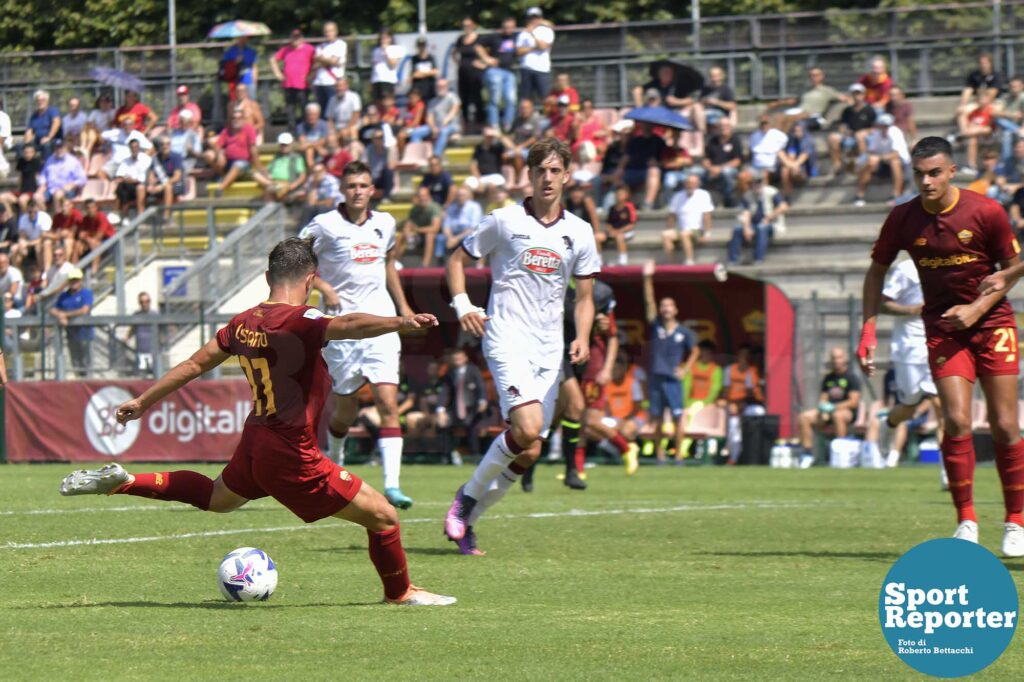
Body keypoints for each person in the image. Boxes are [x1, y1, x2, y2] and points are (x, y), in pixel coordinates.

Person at [59, 237, 454, 607]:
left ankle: (127, 482)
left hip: (257, 437)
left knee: (218, 498)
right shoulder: (302, 318)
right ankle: (400, 593)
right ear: (311, 279)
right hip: (291, 451)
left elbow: (195, 364)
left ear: (268, 277)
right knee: (383, 516)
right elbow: (348, 324)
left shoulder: (243, 322)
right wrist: (400, 322)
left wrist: (144, 401)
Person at [861, 136, 1024, 555]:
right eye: (919, 174)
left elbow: (1012, 271)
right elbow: (875, 273)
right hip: (944, 328)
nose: (927, 181)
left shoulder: (986, 211)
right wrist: (867, 330)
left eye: (935, 172)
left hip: (993, 323)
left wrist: (977, 308)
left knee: (1006, 425)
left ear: (952, 171)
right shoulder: (902, 218)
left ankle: (1016, 521)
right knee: (955, 419)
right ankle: (966, 520)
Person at [443, 138, 600, 554]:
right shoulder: (503, 220)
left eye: (554, 171)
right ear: (528, 176)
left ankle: (468, 523)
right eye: (539, 171)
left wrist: (582, 337)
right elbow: (456, 260)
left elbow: (585, 298)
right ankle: (467, 497)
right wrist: (463, 305)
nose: (547, 178)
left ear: (567, 176)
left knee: (528, 452)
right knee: (527, 429)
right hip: (506, 335)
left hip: (550, 349)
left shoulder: (580, 232)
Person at [301, 161, 417, 509]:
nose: (357, 191)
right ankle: (335, 456)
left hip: (381, 324)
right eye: (351, 185)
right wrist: (322, 285)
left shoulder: (385, 223)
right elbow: (296, 257)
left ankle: (392, 485)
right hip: (343, 328)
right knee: (345, 411)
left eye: (363, 185)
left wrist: (405, 309)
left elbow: (388, 266)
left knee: (387, 402)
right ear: (343, 189)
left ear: (372, 190)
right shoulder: (324, 225)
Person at [866, 259, 944, 469]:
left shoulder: (952, 264)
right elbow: (883, 303)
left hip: (941, 343)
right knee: (909, 407)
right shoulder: (907, 269)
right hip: (910, 347)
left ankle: (949, 470)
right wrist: (912, 310)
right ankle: (889, 424)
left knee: (941, 405)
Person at [642, 260, 698, 464]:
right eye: (663, 305)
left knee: (677, 417)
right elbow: (649, 302)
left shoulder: (684, 332)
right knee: (656, 418)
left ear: (675, 310)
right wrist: (647, 278)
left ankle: (679, 455)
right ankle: (659, 454)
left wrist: (686, 369)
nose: (665, 309)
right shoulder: (656, 325)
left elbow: (695, 351)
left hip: (673, 380)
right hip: (656, 377)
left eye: (669, 306)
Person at [797, 347, 861, 467]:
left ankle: (839, 453)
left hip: (847, 413)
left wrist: (833, 408)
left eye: (839, 357)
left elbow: (853, 402)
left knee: (838, 415)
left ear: (845, 359)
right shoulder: (828, 378)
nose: (836, 361)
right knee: (804, 417)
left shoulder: (852, 378)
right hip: (829, 412)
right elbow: (823, 398)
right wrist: (823, 410)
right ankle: (807, 454)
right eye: (834, 358)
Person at [436, 347, 489, 465]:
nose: (457, 361)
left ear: (465, 358)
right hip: (454, 409)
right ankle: (446, 456)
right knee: (442, 425)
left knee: (472, 426)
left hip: (473, 409)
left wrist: (482, 401)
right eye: (455, 359)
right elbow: (444, 393)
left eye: (459, 358)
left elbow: (481, 388)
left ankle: (475, 456)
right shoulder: (449, 374)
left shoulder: (474, 371)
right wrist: (440, 410)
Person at [720, 344, 765, 465]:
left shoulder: (752, 371)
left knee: (758, 413)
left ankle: (747, 455)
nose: (743, 358)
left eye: (746, 356)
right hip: (733, 404)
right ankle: (731, 456)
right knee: (733, 425)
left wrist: (740, 406)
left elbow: (750, 395)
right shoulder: (730, 369)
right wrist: (729, 403)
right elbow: (725, 390)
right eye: (742, 355)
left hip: (748, 405)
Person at [728, 176, 789, 265]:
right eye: (755, 184)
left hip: (772, 224)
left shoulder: (772, 192)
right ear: (751, 185)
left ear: (763, 183)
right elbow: (746, 212)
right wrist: (747, 228)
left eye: (759, 183)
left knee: (761, 227)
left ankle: (758, 259)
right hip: (753, 224)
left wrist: (768, 218)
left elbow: (783, 206)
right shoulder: (747, 195)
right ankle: (733, 260)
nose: (757, 186)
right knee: (737, 229)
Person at [853, 113, 909, 206]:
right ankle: (860, 195)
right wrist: (871, 158)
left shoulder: (895, 132)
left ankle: (896, 194)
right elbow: (872, 151)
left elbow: (896, 154)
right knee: (870, 162)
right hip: (883, 163)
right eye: (882, 125)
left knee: (894, 162)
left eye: (886, 125)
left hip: (900, 164)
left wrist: (879, 158)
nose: (884, 127)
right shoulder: (876, 133)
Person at [662, 173, 714, 265]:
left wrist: (708, 233)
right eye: (688, 182)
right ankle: (672, 263)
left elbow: (707, 215)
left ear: (697, 184)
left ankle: (689, 261)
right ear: (685, 184)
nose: (690, 185)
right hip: (682, 230)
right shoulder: (677, 196)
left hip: (697, 230)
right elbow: (672, 216)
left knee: (684, 234)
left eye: (693, 183)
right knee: (666, 235)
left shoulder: (704, 195)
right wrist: (670, 229)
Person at [827, 83, 876, 178]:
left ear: (863, 95)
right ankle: (837, 165)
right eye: (855, 94)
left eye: (859, 93)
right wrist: (845, 131)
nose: (857, 96)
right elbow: (843, 125)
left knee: (859, 135)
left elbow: (875, 128)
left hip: (865, 136)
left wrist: (865, 132)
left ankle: (862, 163)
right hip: (850, 136)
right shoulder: (847, 111)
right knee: (832, 137)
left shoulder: (870, 110)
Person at [51, 267, 92, 377]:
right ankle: (80, 380)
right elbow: (53, 309)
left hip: (85, 334)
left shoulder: (86, 293)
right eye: (72, 280)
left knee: (86, 362)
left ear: (80, 280)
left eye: (76, 280)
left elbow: (84, 310)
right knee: (75, 360)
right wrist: (60, 315)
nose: (74, 282)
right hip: (71, 335)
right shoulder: (64, 296)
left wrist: (65, 315)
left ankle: (87, 380)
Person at [271, 29, 315, 132]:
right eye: (294, 37)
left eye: (298, 37)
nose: (296, 40)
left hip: (303, 85)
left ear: (302, 38)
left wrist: (311, 74)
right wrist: (277, 73)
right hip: (288, 84)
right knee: (290, 110)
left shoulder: (309, 49)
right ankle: (292, 132)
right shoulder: (286, 49)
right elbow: (273, 59)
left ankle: (306, 131)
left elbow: (316, 61)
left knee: (305, 109)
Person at [482, 17, 519, 132]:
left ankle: (508, 125)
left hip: (509, 72)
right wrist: (486, 58)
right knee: (495, 99)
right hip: (495, 71)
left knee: (511, 99)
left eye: (510, 27)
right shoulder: (495, 37)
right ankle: (494, 124)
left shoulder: (516, 37)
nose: (508, 30)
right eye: (506, 27)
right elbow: (477, 45)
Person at [253, 132, 308, 204]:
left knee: (269, 192)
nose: (283, 147)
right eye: (282, 145)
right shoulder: (277, 157)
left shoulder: (296, 158)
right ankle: (272, 185)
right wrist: (263, 171)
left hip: (286, 183)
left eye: (285, 145)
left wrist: (294, 185)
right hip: (274, 181)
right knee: (256, 174)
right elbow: (268, 170)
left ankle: (272, 188)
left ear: (290, 145)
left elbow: (302, 175)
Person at [452, 17, 487, 129]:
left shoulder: (479, 39)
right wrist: (460, 63)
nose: (466, 28)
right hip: (463, 73)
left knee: (477, 98)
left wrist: (482, 65)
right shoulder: (460, 39)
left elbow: (486, 56)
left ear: (473, 26)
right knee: (464, 98)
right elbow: (454, 53)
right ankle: (466, 123)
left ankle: (479, 122)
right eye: (464, 26)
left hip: (475, 73)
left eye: (468, 25)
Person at [516, 7, 555, 104]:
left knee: (545, 97)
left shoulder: (547, 31)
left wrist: (532, 34)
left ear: (541, 18)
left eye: (536, 17)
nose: (533, 20)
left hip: (542, 69)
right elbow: (519, 52)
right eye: (531, 18)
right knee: (526, 99)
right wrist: (533, 48)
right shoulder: (522, 34)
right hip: (526, 68)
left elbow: (543, 46)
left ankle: (548, 118)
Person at [701, 118, 743, 206]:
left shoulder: (735, 140)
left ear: (730, 127)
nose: (723, 128)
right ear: (717, 127)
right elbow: (706, 159)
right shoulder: (712, 141)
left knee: (726, 173)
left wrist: (720, 169)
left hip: (729, 169)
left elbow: (737, 161)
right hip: (712, 169)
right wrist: (710, 168)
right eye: (721, 126)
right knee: (694, 172)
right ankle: (701, 201)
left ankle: (728, 200)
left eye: (726, 126)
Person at [402, 185, 442, 267]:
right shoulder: (415, 209)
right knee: (401, 236)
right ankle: (396, 262)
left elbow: (435, 228)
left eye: (424, 196)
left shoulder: (435, 208)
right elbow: (408, 223)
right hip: (419, 235)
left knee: (429, 235)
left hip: (436, 235)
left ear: (429, 196)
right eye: (420, 196)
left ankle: (425, 264)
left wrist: (417, 229)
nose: (422, 198)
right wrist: (407, 233)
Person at [438, 185, 482, 260]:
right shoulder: (451, 207)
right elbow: (446, 226)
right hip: (453, 233)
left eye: (463, 195)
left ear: (468, 196)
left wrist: (456, 239)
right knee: (440, 238)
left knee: (469, 238)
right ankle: (440, 263)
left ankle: (465, 263)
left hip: (466, 233)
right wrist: (450, 238)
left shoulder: (474, 207)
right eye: (458, 195)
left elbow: (473, 227)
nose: (460, 197)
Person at [146, 137, 185, 220]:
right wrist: (151, 185)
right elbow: (151, 174)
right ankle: (144, 216)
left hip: (177, 185)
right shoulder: (155, 158)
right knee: (142, 188)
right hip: (161, 184)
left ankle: (166, 215)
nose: (165, 146)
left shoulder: (176, 157)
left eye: (167, 144)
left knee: (168, 187)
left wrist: (162, 186)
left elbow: (177, 177)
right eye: (162, 144)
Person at [312, 22, 347, 113]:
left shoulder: (341, 45)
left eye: (331, 31)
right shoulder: (320, 47)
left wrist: (320, 59)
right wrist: (327, 60)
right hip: (319, 83)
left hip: (333, 83)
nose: (328, 33)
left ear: (336, 32)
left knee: (334, 111)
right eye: (326, 31)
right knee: (322, 111)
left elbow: (334, 61)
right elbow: (315, 65)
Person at [112, 138, 151, 218]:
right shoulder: (126, 161)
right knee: (121, 187)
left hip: (142, 185)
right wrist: (127, 179)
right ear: (130, 148)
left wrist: (131, 179)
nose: (134, 149)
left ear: (139, 148)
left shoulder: (146, 159)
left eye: (136, 147)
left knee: (138, 188)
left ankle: (139, 215)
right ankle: (121, 215)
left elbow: (142, 178)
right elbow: (120, 175)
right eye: (132, 147)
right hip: (128, 185)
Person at [778, 120, 816, 198]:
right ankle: (787, 196)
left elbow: (804, 155)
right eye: (795, 131)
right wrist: (792, 165)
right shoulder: (793, 140)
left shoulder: (808, 140)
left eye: (799, 131)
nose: (797, 133)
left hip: (807, 170)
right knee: (784, 170)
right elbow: (791, 155)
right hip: (794, 167)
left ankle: (787, 196)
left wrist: (795, 165)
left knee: (790, 169)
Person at [600, 185, 636, 265]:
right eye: (617, 194)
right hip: (613, 231)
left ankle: (623, 260)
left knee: (619, 236)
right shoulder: (612, 208)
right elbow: (608, 223)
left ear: (626, 195)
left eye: (621, 194)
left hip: (626, 232)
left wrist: (619, 231)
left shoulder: (629, 207)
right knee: (598, 237)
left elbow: (632, 224)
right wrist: (611, 230)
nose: (619, 196)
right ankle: (598, 260)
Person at [125, 290, 159, 375]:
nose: (144, 303)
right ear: (139, 303)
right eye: (142, 302)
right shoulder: (136, 315)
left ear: (150, 302)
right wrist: (127, 337)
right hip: (141, 352)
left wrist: (163, 340)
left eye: (147, 301)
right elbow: (132, 328)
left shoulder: (155, 315)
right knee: (142, 376)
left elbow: (166, 329)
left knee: (155, 376)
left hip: (153, 352)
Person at [370, 28, 406, 103]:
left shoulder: (394, 48)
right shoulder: (376, 50)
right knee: (377, 103)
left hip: (388, 80)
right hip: (376, 80)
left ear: (390, 38)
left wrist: (386, 51)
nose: (383, 40)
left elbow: (392, 65)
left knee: (387, 102)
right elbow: (374, 67)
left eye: (385, 38)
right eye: (382, 38)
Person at [23, 90, 62, 158]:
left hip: (53, 140)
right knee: (20, 147)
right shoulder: (34, 115)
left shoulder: (52, 111)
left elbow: (56, 124)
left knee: (46, 146)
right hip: (38, 142)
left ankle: (47, 167)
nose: (40, 102)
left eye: (43, 100)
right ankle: (27, 167)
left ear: (47, 101)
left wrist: (49, 137)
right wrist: (27, 143)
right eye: (38, 100)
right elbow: (30, 131)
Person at [220, 36, 258, 100]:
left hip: (248, 78)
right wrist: (235, 61)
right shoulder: (230, 51)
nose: (243, 39)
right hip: (234, 79)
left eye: (245, 37)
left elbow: (254, 66)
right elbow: (224, 65)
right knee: (234, 100)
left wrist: (255, 78)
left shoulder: (251, 51)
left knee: (251, 99)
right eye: (241, 37)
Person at [296, 103, 330, 168]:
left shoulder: (324, 125)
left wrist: (311, 144)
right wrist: (317, 147)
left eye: (314, 115)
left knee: (311, 148)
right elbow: (303, 144)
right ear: (306, 115)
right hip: (311, 151)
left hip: (322, 150)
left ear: (318, 115)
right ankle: (312, 169)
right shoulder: (301, 126)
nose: (311, 117)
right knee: (309, 149)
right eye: (309, 114)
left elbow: (323, 141)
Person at [409, 37, 439, 103]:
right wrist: (428, 73)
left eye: (423, 45)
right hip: (418, 89)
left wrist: (421, 73)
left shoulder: (431, 57)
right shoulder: (414, 58)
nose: (421, 47)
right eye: (420, 45)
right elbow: (414, 74)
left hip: (430, 88)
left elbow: (435, 72)